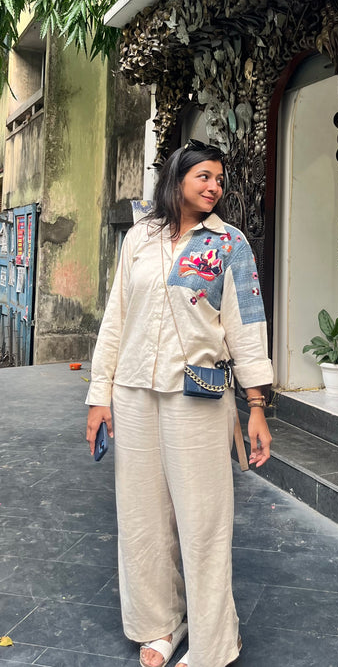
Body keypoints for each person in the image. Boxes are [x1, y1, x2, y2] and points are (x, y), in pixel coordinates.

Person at [86, 139, 273, 667]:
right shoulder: (140, 237)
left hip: (198, 394)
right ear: (177, 178)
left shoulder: (229, 243)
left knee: (202, 521)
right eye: (204, 176)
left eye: (219, 179)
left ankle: (215, 643)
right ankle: (160, 623)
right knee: (142, 517)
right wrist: (99, 395)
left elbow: (247, 325)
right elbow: (116, 317)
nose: (214, 187)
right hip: (133, 392)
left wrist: (256, 404)